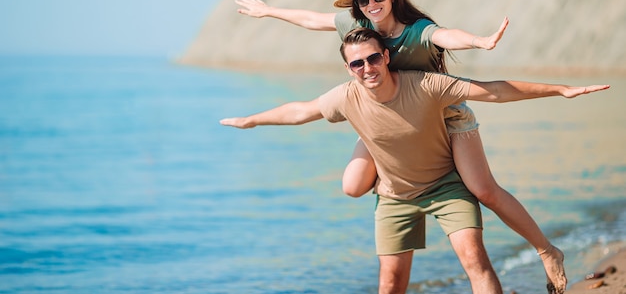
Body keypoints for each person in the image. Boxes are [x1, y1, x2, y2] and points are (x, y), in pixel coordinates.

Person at [235, 0, 566, 293]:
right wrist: (268, 11)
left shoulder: (416, 29)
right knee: (352, 185)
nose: (371, 5)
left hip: (444, 115)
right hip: (385, 116)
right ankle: (399, 180)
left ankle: (545, 249)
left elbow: (446, 36)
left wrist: (480, 42)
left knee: (483, 190)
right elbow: (312, 20)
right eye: (363, 0)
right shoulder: (358, 25)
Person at [220, 27, 609, 294]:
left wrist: (559, 89)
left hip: (445, 185)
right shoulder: (345, 97)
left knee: (475, 261)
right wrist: (252, 120)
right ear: (348, 68)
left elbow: (495, 90)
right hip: (394, 196)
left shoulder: (426, 86)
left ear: (386, 56)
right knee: (390, 284)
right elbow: (300, 111)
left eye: (373, 59)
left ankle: (546, 251)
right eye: (357, 64)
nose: (367, 69)